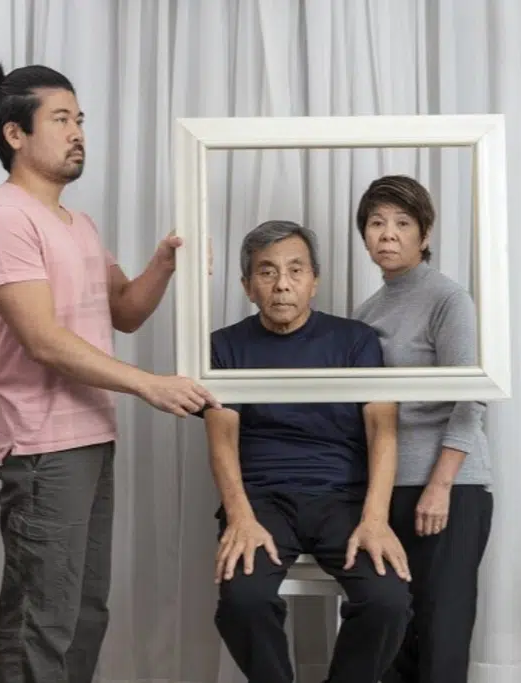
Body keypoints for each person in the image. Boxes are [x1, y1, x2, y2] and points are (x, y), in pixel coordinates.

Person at [0, 58, 219, 683]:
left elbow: (124, 310)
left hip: (90, 436)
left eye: (80, 119)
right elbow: (44, 342)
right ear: (15, 134)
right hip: (42, 446)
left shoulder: (79, 225)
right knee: (44, 618)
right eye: (61, 119)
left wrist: (164, 263)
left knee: (83, 612)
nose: (77, 132)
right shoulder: (4, 219)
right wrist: (149, 384)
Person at [202, 220, 413, 683]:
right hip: (262, 502)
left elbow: (383, 432)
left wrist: (375, 518)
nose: (282, 284)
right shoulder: (224, 346)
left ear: (314, 281)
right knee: (243, 600)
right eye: (267, 272)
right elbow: (221, 440)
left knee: (388, 600)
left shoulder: (355, 341)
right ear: (247, 286)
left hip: (343, 500)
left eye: (295, 270)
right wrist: (240, 516)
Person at [352, 175, 494, 683]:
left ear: (425, 234)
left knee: (440, 633)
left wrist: (440, 485)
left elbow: (472, 396)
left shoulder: (448, 299)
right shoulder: (367, 311)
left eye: (402, 223)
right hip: (386, 488)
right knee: (393, 636)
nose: (388, 234)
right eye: (376, 223)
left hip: (448, 487)